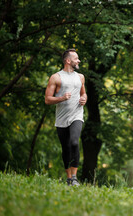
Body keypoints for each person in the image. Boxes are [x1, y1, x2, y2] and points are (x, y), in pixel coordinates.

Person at [45, 48, 87, 186]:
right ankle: (69, 178)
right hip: (62, 119)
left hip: (77, 115)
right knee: (66, 147)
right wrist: (62, 98)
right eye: (76, 58)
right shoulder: (56, 77)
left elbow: (83, 93)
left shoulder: (80, 77)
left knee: (74, 142)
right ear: (68, 61)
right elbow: (47, 99)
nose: (79, 60)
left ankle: (74, 177)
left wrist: (84, 99)